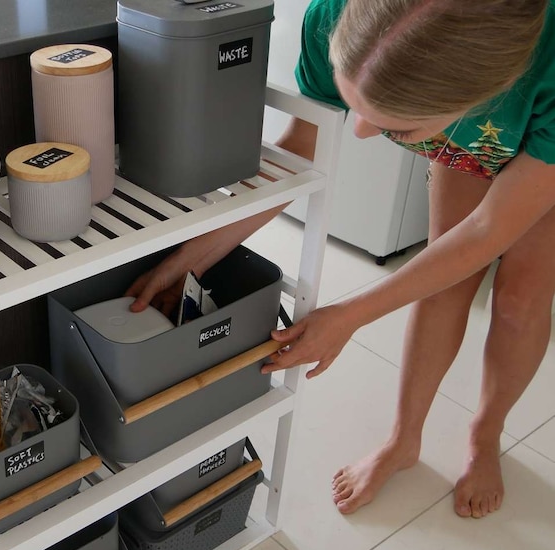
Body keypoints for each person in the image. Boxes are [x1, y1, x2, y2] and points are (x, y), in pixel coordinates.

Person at [126, 0, 555, 520]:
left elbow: (488, 231)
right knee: (442, 283)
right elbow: (303, 151)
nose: (359, 134)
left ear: (486, 93)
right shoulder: (339, 15)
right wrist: (192, 258)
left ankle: (486, 435)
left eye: (396, 126)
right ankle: (404, 440)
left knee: (520, 301)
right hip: (471, 138)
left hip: (541, 155)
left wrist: (348, 315)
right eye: (360, 106)